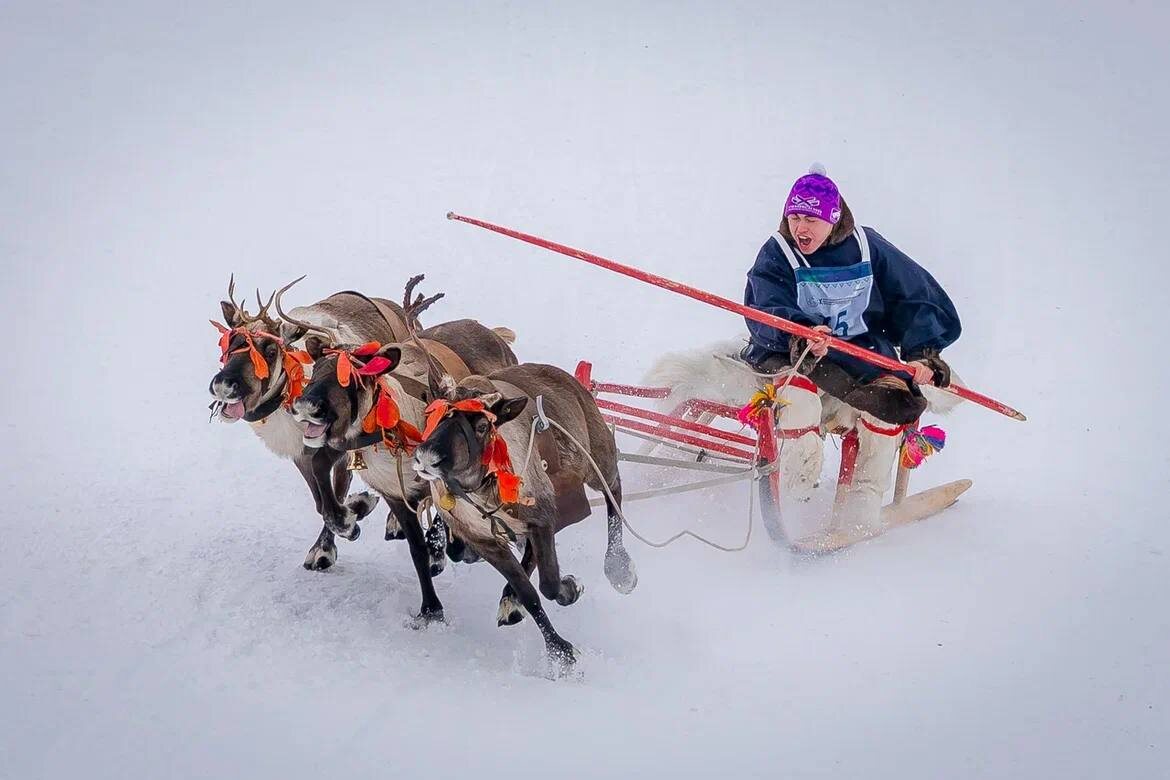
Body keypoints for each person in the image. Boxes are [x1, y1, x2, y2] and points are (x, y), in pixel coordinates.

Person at [741, 163, 960, 539]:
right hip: (795, 353)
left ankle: (861, 501)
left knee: (895, 400)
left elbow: (914, 295)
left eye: (811, 218)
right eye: (794, 216)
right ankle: (796, 495)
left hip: (859, 350)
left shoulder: (866, 246)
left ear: (833, 217)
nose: (800, 228)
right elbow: (762, 303)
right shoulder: (778, 252)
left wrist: (923, 353)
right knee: (798, 401)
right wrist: (799, 332)